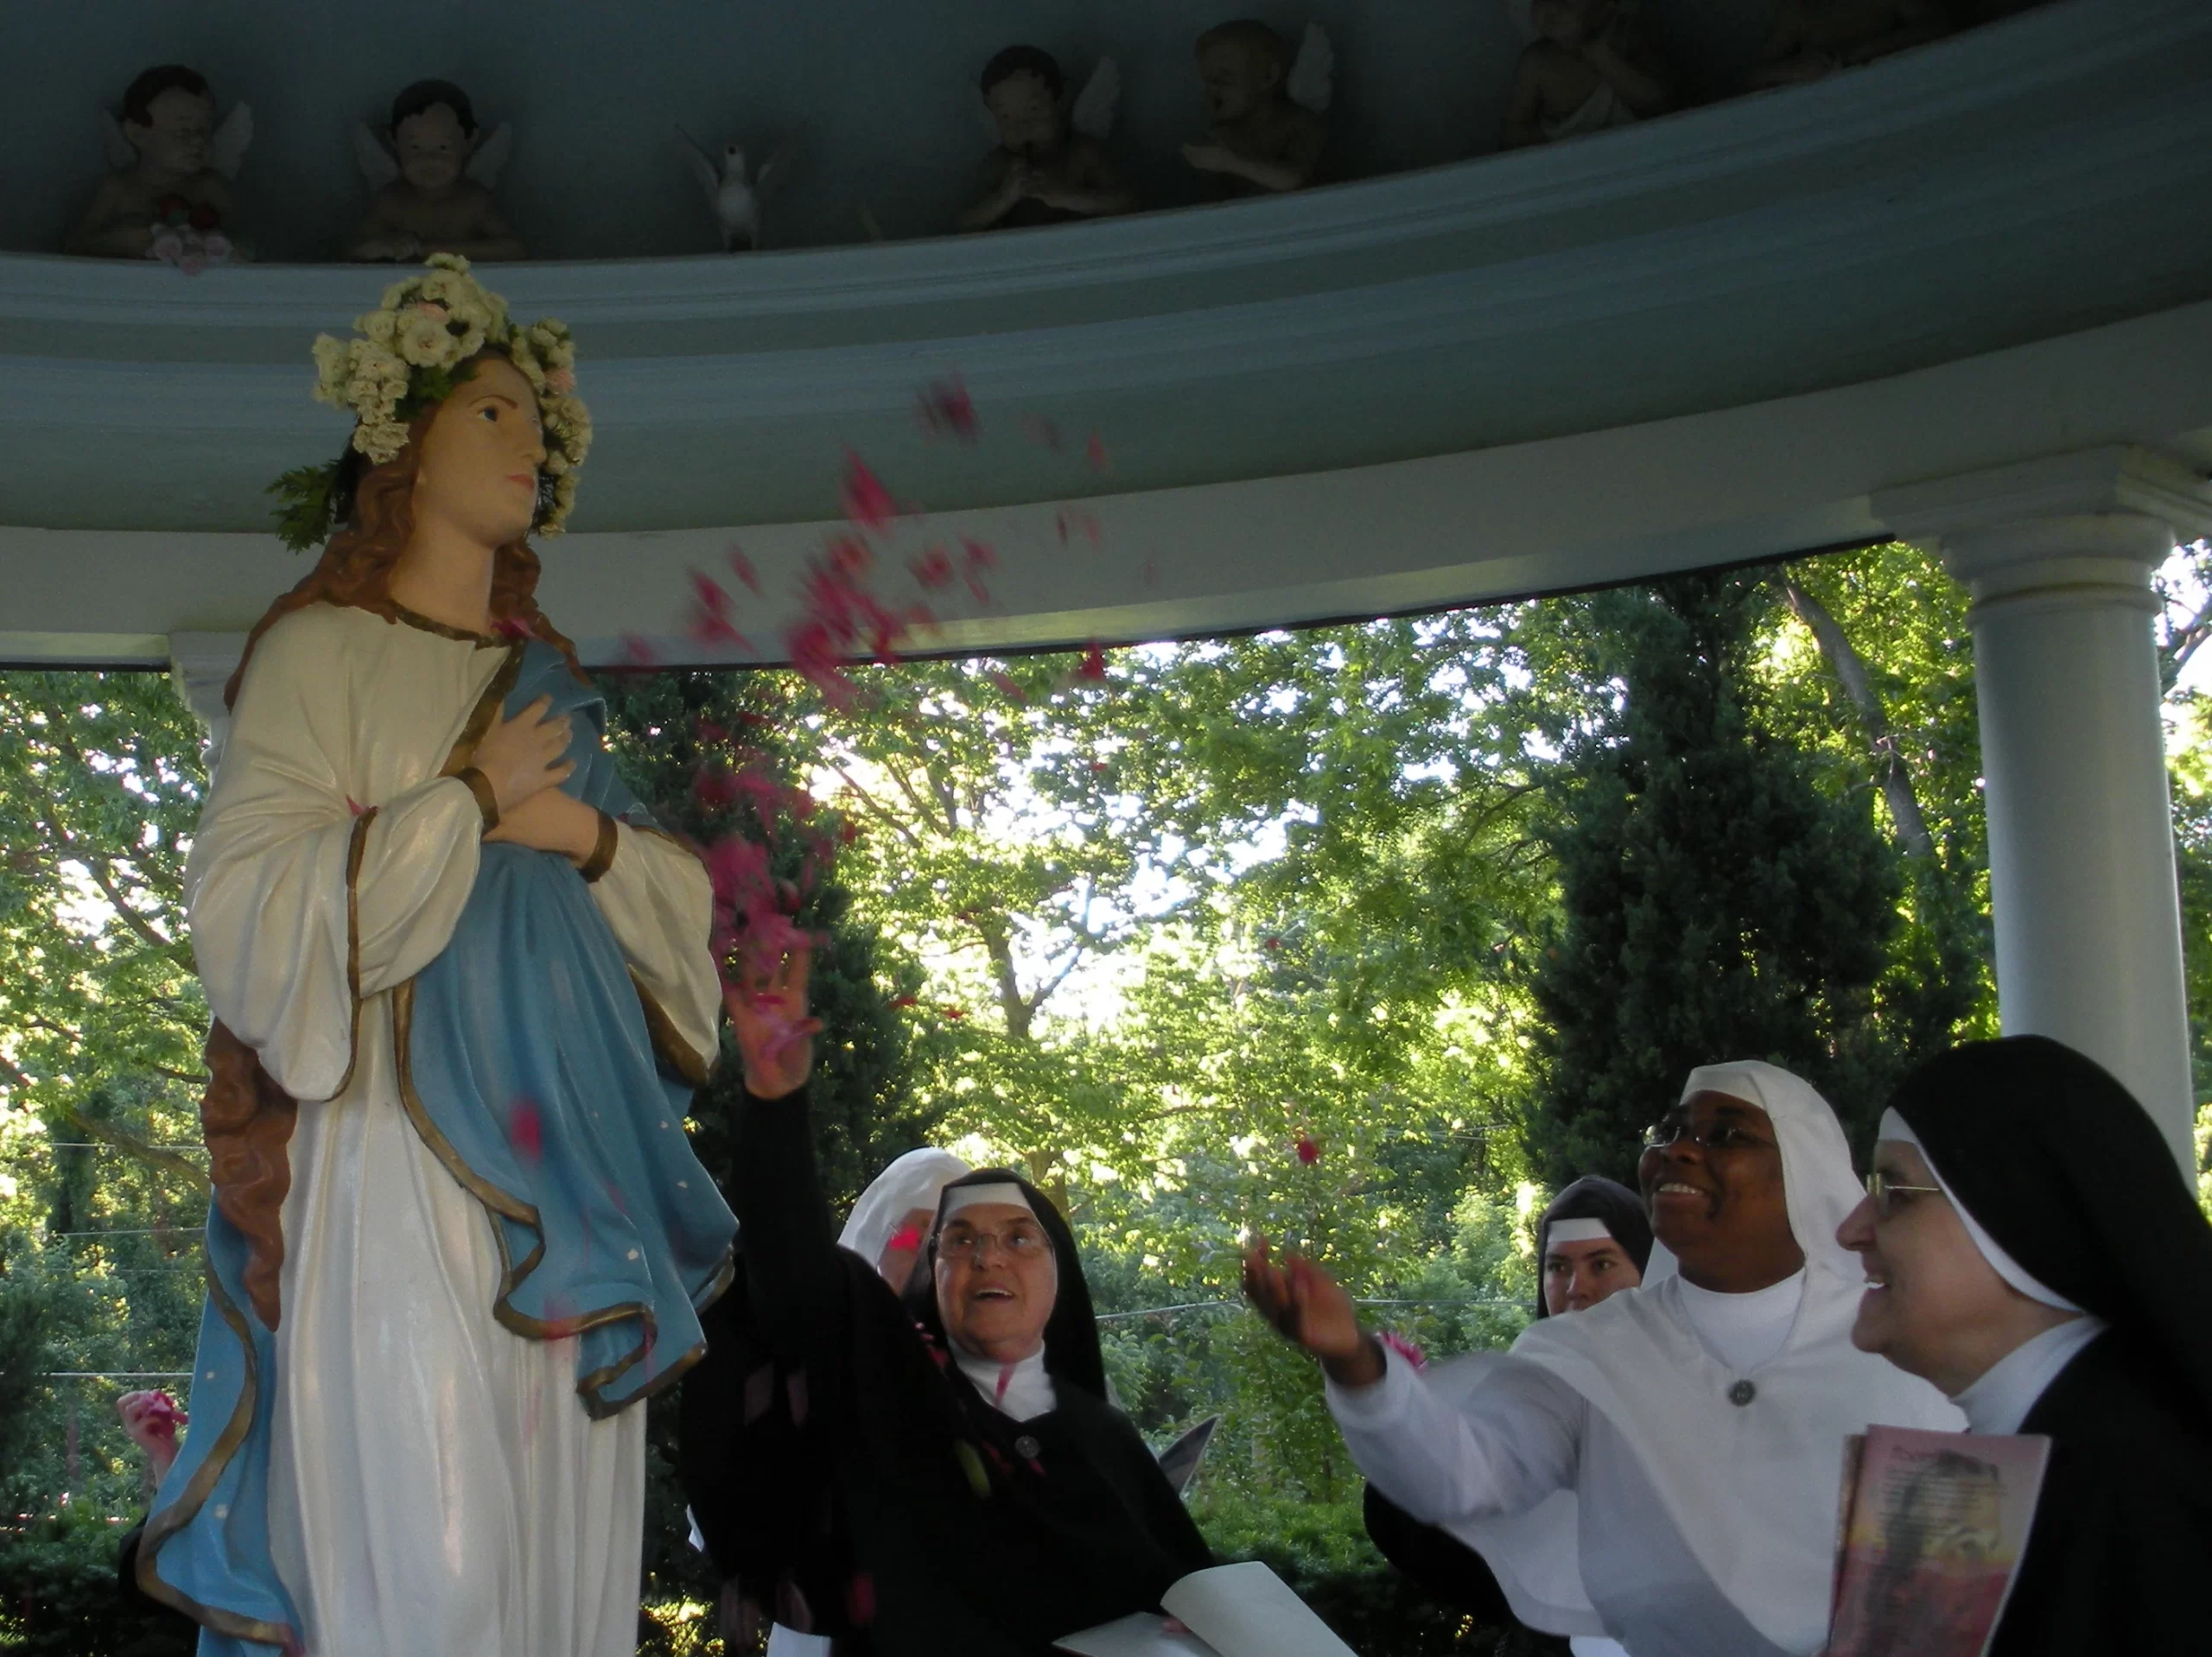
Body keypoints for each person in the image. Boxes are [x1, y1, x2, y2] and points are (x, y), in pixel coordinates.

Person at [142, 257, 734, 1656]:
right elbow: (242, 906)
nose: (529, 442)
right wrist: (459, 806)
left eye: (540, 422)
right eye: (492, 413)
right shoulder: (321, 657)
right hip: (394, 1144)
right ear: (397, 445)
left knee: (563, 1561)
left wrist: (576, 830)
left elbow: (674, 906)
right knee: (435, 1557)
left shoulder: (549, 673)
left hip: (573, 1144)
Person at [1249, 1061, 1960, 1657]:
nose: (1680, 1150)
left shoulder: (1899, 1336)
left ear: (1803, 1173)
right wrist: (1355, 1364)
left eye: (1726, 1135)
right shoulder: (1588, 1351)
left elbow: (1959, 1563)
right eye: (1672, 1132)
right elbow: (1463, 1477)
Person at [710, 943, 1212, 1655]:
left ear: (1058, 1271)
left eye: (1018, 1237)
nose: (989, 1258)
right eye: (960, 1240)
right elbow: (791, 1280)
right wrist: (773, 1104)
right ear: (931, 1277)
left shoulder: (1103, 1439)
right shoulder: (886, 1408)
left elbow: (1190, 1594)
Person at [1837, 1035, 2212, 1654]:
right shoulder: (2069, 1446)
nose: (1852, 1230)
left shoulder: (2143, 1488)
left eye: (1895, 1194)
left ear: (2016, 1215)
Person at [682, 1144, 971, 1656]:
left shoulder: (998, 1371)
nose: (931, 1259)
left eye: (953, 1242)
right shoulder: (805, 1358)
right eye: (915, 1234)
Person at [1363, 1176, 1652, 1657]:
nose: (1577, 1289)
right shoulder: (1524, 1391)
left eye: (1601, 1264)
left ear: (1646, 1270)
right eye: (1558, 1267)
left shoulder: (1696, 1384)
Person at [957, 47, 1135, 233]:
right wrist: (1004, 198)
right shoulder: (1000, 165)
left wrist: (1066, 197)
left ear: (1061, 100)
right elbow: (964, 224)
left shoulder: (1082, 153)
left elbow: (1128, 202)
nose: (1022, 127)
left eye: (1034, 110)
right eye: (1006, 118)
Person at [348, 80, 527, 263]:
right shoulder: (391, 201)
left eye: (443, 147)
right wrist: (382, 247)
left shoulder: (474, 201)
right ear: (394, 142)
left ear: (469, 141)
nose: (430, 159)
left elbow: (514, 249)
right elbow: (353, 249)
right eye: (415, 148)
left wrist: (428, 249)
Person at [1502, 1, 1673, 150]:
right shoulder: (1536, 62)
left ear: (1608, 4)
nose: (1550, 6)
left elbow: (1657, 101)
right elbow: (1513, 133)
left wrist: (1598, 52)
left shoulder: (1629, 40)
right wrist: (1559, 143)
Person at [1182, 21, 1328, 195]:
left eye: (1222, 81)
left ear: (1268, 77)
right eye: (1206, 82)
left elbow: (1293, 178)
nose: (1211, 92)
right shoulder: (1226, 132)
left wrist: (1228, 161)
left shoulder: (1299, 123)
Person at [1749, 1, 1953, 90]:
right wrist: (1794, 69)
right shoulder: (1800, 8)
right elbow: (1754, 76)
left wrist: (1860, 52)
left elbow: (1938, 26)